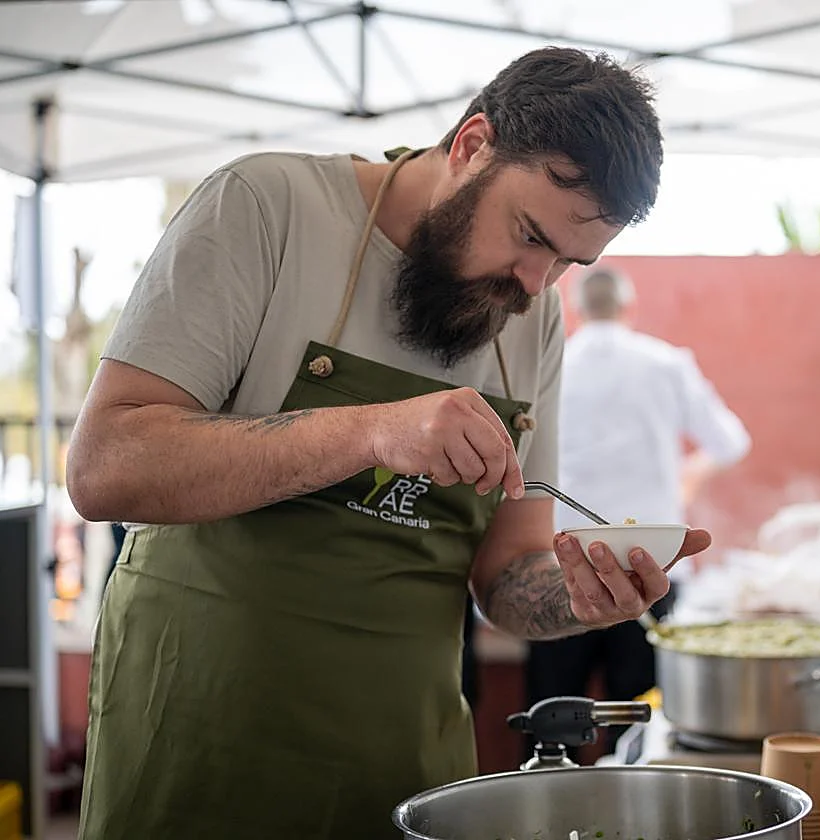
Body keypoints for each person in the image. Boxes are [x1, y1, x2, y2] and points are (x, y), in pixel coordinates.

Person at [65, 47, 711, 839]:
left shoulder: (531, 316)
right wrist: (372, 428)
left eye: (567, 263)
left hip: (402, 767)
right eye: (529, 234)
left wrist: (576, 601)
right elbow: (105, 466)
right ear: (472, 143)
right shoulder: (269, 206)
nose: (536, 283)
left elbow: (506, 576)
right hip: (196, 744)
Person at [525, 265, 750, 747]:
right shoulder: (665, 364)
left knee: (549, 723)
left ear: (578, 309)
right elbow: (731, 441)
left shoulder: (551, 363)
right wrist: (689, 477)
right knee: (638, 728)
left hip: (561, 567)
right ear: (628, 307)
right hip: (651, 568)